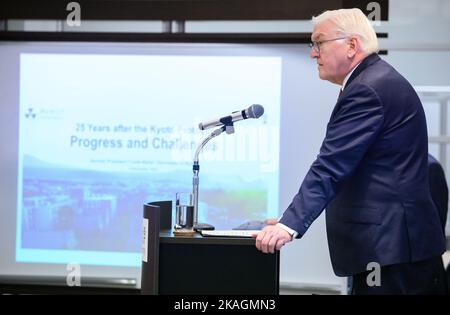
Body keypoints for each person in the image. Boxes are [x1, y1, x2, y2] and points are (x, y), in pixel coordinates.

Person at [254, 8, 447, 294]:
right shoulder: (373, 81)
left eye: (318, 43)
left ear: (351, 45)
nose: (313, 53)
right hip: (392, 250)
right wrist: (285, 219)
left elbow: (331, 165)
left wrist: (288, 226)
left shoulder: (368, 88)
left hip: (390, 253)